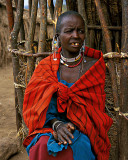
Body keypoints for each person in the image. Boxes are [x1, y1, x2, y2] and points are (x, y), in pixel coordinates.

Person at [23, 11, 113, 160]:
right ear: (57, 36)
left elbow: (95, 111)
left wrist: (73, 124)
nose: (76, 35)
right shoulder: (45, 68)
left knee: (81, 146)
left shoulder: (94, 67)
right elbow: (37, 109)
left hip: (84, 128)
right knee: (42, 145)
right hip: (50, 127)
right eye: (69, 31)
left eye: (80, 31)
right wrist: (57, 125)